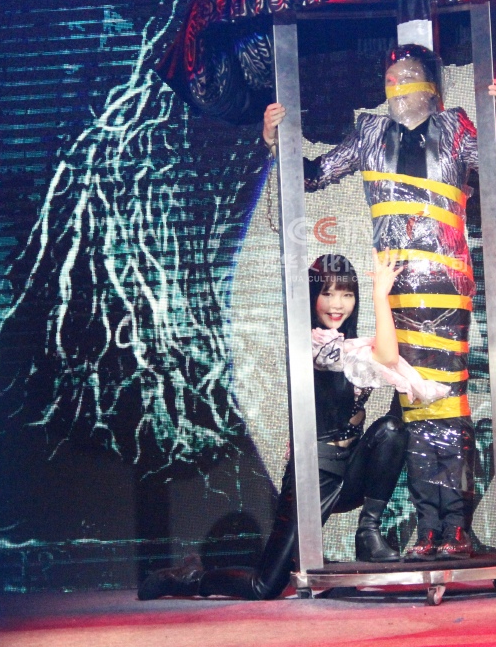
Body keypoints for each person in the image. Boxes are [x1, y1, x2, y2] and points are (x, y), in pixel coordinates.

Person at [262, 44, 496, 560]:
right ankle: (429, 530)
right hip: (397, 287)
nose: (398, 85)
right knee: (415, 407)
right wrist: (274, 141)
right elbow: (312, 174)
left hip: (445, 283)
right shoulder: (369, 133)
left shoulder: (456, 128)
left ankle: (457, 528)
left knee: (449, 402)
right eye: (392, 76)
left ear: (432, 84)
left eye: (409, 74)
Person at [138, 252, 443, 600]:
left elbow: (386, 356)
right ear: (312, 297)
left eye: (346, 294)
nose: (337, 304)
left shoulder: (354, 345)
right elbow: (386, 357)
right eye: (327, 293)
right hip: (314, 476)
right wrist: (380, 295)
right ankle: (189, 578)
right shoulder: (312, 343)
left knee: (391, 430)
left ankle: (368, 533)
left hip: (351, 471)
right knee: (265, 586)